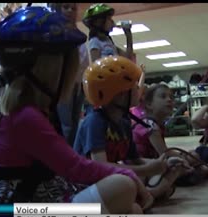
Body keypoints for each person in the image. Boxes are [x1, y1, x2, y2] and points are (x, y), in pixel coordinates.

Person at [0, 6, 153, 214]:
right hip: (23, 214)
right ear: (49, 70)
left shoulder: (25, 113)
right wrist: (128, 174)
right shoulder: (26, 117)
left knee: (131, 209)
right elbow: (76, 168)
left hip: (32, 197)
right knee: (122, 186)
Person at [74, 55, 182, 202]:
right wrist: (148, 169)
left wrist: (162, 165)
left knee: (168, 172)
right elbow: (101, 166)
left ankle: (148, 194)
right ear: (119, 93)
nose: (140, 91)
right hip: (88, 184)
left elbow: (134, 160)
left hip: (110, 178)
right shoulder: (95, 122)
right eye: (135, 87)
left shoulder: (124, 122)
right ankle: (150, 194)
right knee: (132, 185)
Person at [49, 3, 90, 145]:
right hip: (64, 84)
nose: (70, 11)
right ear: (58, 8)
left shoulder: (77, 34)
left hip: (78, 85)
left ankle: (71, 154)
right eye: (66, 7)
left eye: (73, 8)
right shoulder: (55, 32)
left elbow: (84, 61)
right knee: (66, 125)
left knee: (74, 124)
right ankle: (65, 158)